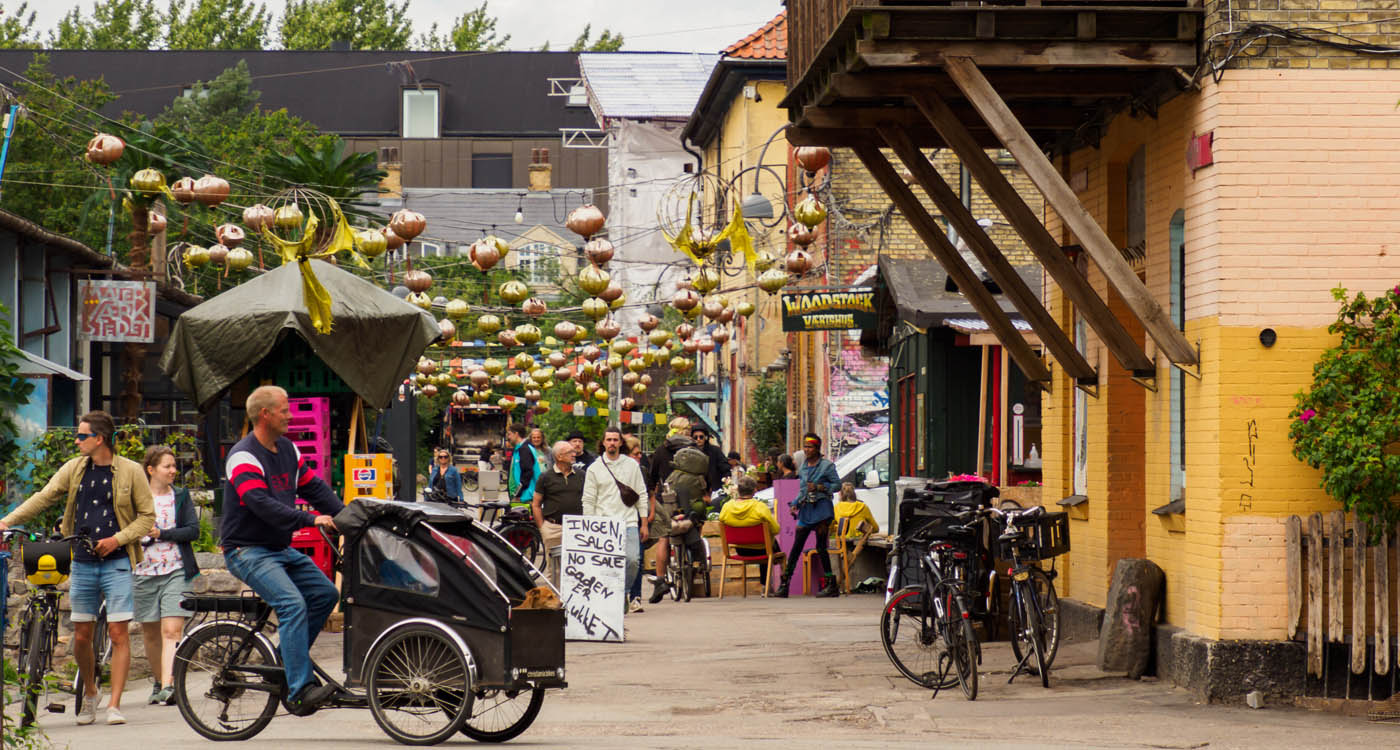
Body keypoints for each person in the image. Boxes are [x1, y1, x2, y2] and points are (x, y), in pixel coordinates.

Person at [0, 410, 154, 726]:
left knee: (118, 631)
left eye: (82, 435)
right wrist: (6, 521)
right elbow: (44, 497)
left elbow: (147, 517)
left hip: (117, 561)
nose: (77, 440)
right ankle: (92, 693)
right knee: (82, 635)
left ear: (100, 439)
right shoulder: (74, 469)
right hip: (82, 561)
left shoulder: (131, 471)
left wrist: (118, 539)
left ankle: (114, 705)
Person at [221, 385, 344, 714]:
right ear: (265, 415)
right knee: (291, 604)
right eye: (284, 410)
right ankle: (299, 689)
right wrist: (311, 519)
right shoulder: (243, 456)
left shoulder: (288, 450)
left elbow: (314, 487)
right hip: (246, 550)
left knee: (325, 594)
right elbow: (259, 503)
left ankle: (286, 661)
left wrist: (348, 517)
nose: (290, 415)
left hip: (278, 548)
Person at [134, 445, 201, 707]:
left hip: (176, 569)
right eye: (167, 466)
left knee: (171, 630)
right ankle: (159, 681)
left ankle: (170, 684)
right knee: (150, 634)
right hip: (142, 571)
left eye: (174, 466)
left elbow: (192, 531)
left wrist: (163, 534)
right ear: (150, 470)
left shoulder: (181, 497)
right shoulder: (136, 498)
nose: (173, 471)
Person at [581, 426, 648, 617]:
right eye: (608, 439)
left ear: (620, 443)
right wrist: (590, 525)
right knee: (606, 565)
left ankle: (624, 592)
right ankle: (610, 598)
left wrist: (643, 522)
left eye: (615, 440)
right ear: (603, 443)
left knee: (633, 560)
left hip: (628, 521)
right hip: (604, 523)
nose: (612, 443)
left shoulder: (631, 465)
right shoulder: (594, 468)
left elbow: (641, 494)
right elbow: (588, 500)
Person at [775, 433, 841, 598]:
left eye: (810, 447)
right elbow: (803, 489)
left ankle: (830, 584)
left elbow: (837, 485)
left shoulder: (827, 466)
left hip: (822, 510)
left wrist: (821, 488)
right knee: (796, 547)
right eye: (805, 447)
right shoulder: (803, 466)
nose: (806, 450)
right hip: (806, 510)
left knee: (821, 547)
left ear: (817, 448)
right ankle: (785, 584)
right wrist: (795, 503)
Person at [648, 439, 709, 603]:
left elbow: (653, 478)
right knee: (696, 522)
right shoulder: (698, 456)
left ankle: (660, 579)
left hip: (668, 505)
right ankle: (698, 560)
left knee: (664, 539)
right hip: (692, 510)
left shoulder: (661, 451)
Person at [531, 441, 584, 589]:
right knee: (554, 569)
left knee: (576, 567)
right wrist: (543, 528)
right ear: (559, 456)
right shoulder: (545, 477)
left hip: (577, 529)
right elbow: (536, 504)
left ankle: (573, 602)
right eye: (570, 452)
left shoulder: (581, 475)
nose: (574, 454)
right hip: (553, 528)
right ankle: (554, 601)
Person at [718, 475, 780, 585]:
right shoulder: (760, 507)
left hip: (740, 550)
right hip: (761, 549)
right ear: (754, 490)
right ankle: (767, 585)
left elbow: (721, 522)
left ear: (738, 490)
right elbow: (775, 529)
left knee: (767, 545)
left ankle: (764, 586)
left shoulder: (727, 507)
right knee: (771, 545)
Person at [624, 435, 648, 611]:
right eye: (636, 453)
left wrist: (647, 518)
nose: (640, 456)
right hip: (617, 519)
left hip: (637, 519)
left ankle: (635, 596)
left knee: (636, 559)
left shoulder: (642, 471)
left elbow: (649, 494)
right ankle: (622, 595)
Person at [689, 426, 729, 494]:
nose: (698, 439)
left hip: (714, 488)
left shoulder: (715, 450)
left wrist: (725, 482)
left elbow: (725, 467)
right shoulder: (689, 452)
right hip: (695, 488)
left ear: (705, 437)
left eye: (701, 437)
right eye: (695, 437)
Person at [506, 423, 538, 507]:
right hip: (523, 495)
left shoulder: (524, 449)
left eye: (509, 434)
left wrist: (517, 493)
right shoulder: (520, 448)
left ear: (516, 434)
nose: (508, 437)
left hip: (525, 497)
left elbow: (527, 473)